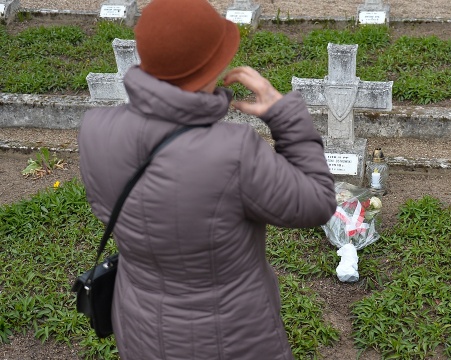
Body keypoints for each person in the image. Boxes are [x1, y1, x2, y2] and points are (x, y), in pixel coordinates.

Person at [77, 0, 336, 358]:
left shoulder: (95, 129)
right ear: (213, 65)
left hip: (139, 326)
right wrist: (285, 115)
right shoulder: (232, 152)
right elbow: (317, 202)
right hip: (230, 336)